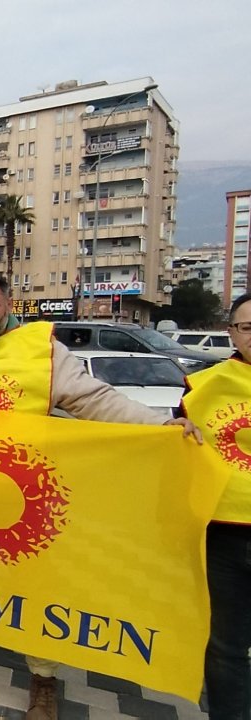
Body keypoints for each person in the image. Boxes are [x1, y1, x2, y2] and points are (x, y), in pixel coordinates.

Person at [0, 274, 198, 720]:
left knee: (35, 591)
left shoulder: (44, 350)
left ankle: (43, 680)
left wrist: (157, 425)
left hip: (29, 499)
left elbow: (94, 399)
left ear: (8, 305)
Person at [180, 292, 251, 720]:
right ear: (232, 333)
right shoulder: (203, 386)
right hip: (224, 536)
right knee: (226, 646)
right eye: (248, 327)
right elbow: (174, 447)